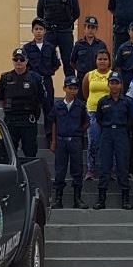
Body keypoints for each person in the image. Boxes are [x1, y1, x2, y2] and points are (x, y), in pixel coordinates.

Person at [94, 72, 133, 210]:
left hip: (121, 134)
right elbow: (98, 118)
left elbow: (131, 119)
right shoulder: (103, 101)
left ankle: (125, 199)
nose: (114, 85)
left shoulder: (127, 102)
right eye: (112, 82)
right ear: (108, 84)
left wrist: (123, 129)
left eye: (117, 83)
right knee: (105, 166)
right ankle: (101, 200)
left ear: (121, 85)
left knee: (122, 166)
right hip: (106, 134)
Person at [0, 48, 46, 157]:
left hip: (28, 121)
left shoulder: (36, 78)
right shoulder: (5, 78)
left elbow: (41, 99)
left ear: (26, 61)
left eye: (22, 59)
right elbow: (0, 99)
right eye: (16, 59)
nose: (19, 62)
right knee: (8, 152)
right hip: (11, 121)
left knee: (30, 151)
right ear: (13, 61)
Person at [50, 76, 91, 209]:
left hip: (75, 141)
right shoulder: (58, 105)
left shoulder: (80, 106)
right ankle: (58, 198)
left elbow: (87, 122)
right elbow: (54, 123)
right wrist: (53, 141)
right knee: (60, 170)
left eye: (75, 88)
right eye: (70, 88)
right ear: (64, 88)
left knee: (77, 169)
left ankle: (77, 198)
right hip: (61, 141)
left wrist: (78, 131)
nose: (72, 91)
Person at [36, 0, 80, 78]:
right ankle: (44, 86)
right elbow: (39, 13)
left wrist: (67, 23)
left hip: (65, 32)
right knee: (46, 60)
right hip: (49, 32)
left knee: (68, 61)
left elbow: (77, 12)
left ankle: (70, 86)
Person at [24, 18, 60, 141]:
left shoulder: (50, 47)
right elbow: (24, 65)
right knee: (32, 107)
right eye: (36, 29)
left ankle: (49, 135)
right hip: (33, 83)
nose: (38, 31)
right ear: (32, 31)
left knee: (48, 107)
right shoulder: (27, 48)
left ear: (44, 31)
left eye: (41, 29)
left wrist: (48, 72)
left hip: (46, 81)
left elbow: (56, 63)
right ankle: (30, 134)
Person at [82, 49, 112, 181]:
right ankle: (91, 170)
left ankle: (110, 170)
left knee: (109, 142)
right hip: (92, 112)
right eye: (100, 59)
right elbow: (85, 93)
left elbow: (117, 91)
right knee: (92, 141)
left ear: (109, 61)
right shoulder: (89, 75)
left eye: (105, 59)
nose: (102, 61)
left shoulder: (113, 75)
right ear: (95, 61)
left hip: (109, 113)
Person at [70, 16, 108, 100]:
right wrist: (80, 69)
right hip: (82, 77)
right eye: (88, 27)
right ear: (84, 28)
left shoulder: (101, 45)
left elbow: (107, 61)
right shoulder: (78, 45)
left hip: (97, 78)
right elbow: (72, 61)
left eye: (93, 28)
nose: (90, 30)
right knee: (81, 101)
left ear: (96, 29)